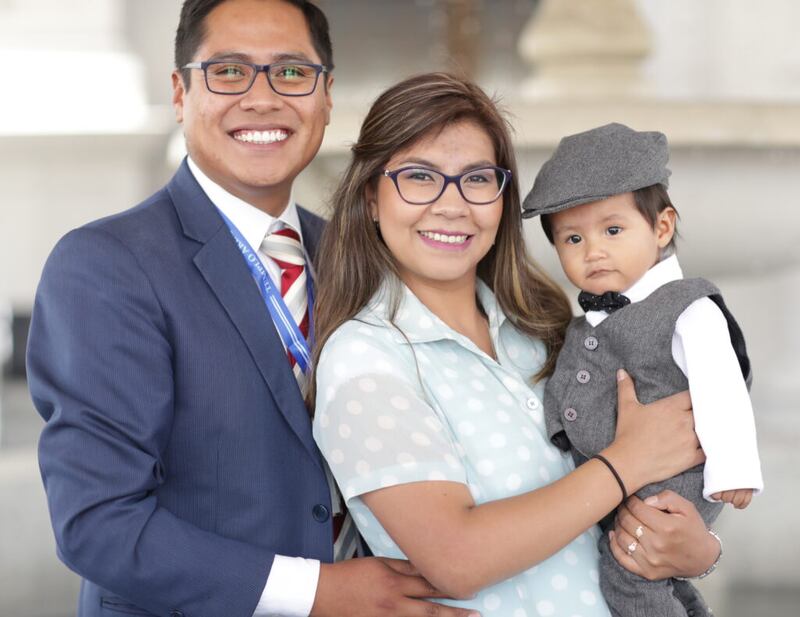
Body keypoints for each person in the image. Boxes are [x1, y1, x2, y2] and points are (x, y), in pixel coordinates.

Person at [26, 2, 479, 617]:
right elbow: (99, 523)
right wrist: (323, 591)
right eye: (230, 72)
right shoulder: (106, 265)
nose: (263, 98)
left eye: (292, 73)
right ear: (181, 92)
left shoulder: (358, 257)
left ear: (325, 96)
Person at [311, 73, 723, 617]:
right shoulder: (365, 360)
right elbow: (456, 558)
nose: (452, 205)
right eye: (418, 177)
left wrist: (699, 551)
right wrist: (627, 462)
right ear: (371, 196)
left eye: (477, 179)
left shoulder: (545, 325)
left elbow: (664, 470)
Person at [521, 122, 764, 616]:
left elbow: (723, 384)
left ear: (662, 228)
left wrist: (734, 466)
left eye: (613, 230)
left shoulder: (687, 307)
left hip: (672, 478)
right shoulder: (589, 320)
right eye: (571, 238)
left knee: (629, 572)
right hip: (621, 476)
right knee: (648, 573)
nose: (593, 251)